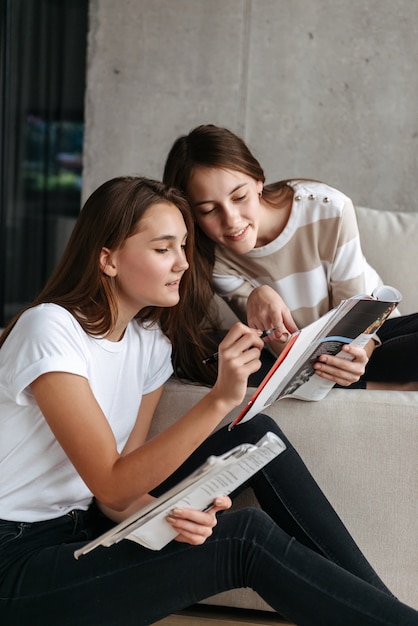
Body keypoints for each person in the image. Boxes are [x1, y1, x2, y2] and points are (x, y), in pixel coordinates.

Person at [1, 177, 417, 626]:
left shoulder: (149, 342)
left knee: (254, 436)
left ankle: (387, 613)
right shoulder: (50, 328)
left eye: (183, 246)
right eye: (163, 249)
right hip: (17, 559)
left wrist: (170, 513)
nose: (182, 263)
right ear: (109, 259)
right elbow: (110, 483)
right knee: (244, 538)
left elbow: (121, 501)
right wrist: (220, 399)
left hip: (88, 529)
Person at [163, 124, 418, 389]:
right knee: (196, 356)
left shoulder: (328, 208)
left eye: (239, 197)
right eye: (208, 210)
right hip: (301, 356)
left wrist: (356, 357)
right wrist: (255, 294)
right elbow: (286, 354)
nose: (231, 220)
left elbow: (356, 321)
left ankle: (370, 381)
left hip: (372, 334)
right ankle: (389, 385)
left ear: (258, 182)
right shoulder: (210, 255)